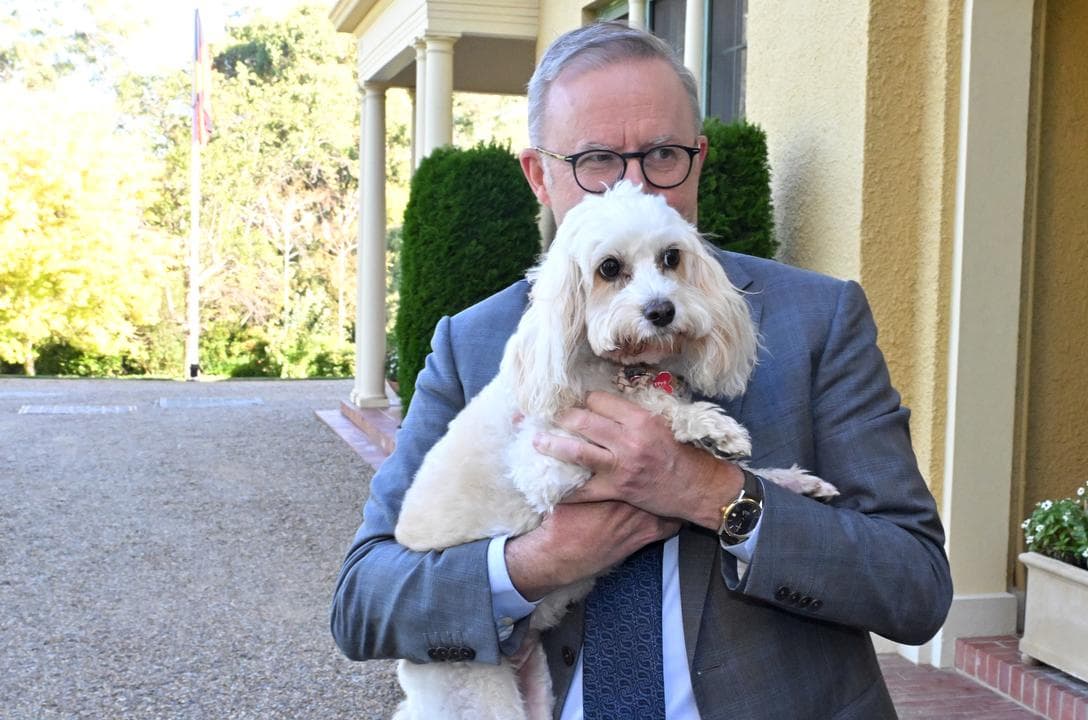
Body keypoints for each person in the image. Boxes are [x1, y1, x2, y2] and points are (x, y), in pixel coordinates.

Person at [331, 21, 952, 719]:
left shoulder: (818, 319)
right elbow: (365, 603)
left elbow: (916, 585)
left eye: (662, 154)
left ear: (699, 158)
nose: (634, 187)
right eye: (596, 160)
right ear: (540, 173)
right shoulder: (473, 344)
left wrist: (714, 493)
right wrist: (538, 563)